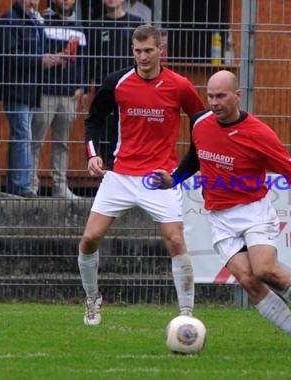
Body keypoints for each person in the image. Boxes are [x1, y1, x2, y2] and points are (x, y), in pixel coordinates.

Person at [155, 70, 291, 350]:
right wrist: (172, 179)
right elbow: (194, 158)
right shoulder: (200, 123)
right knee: (247, 279)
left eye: (221, 96)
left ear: (237, 95)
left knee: (264, 269)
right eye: (210, 96)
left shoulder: (259, 134)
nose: (214, 102)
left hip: (253, 211)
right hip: (220, 218)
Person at [78, 24, 205, 326]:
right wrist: (93, 154)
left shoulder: (180, 86)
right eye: (137, 51)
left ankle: (186, 316)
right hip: (120, 175)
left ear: (162, 50)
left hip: (158, 179)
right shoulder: (117, 82)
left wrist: (179, 173)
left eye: (148, 51)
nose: (143, 57)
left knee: (175, 241)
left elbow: (202, 127)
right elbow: (93, 120)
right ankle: (92, 299)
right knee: (89, 238)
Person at [0, 0, 63, 197]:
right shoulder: (9, 20)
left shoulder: (31, 21)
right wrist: (40, 59)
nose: (33, 2)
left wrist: (46, 57)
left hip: (30, 90)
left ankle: (17, 185)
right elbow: (7, 55)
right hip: (16, 90)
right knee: (23, 136)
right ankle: (22, 187)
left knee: (22, 137)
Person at [31, 0, 87, 199]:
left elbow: (84, 60)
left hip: (69, 95)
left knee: (62, 143)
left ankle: (60, 187)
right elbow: (36, 53)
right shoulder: (42, 21)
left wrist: (82, 86)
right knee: (35, 141)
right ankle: (31, 186)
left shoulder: (79, 26)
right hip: (45, 92)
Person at [86, 0, 143, 169]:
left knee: (131, 134)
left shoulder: (136, 23)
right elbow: (89, 59)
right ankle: (109, 176)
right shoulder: (96, 25)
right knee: (104, 135)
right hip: (105, 90)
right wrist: (86, 84)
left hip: (132, 89)